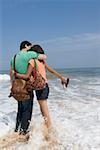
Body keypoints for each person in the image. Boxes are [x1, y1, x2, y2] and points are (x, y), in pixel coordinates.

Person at [15, 45, 69, 130]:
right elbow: (51, 70)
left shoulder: (32, 61)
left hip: (39, 88)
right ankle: (48, 128)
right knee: (43, 110)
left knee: (44, 111)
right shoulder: (42, 61)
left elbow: (26, 76)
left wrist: (17, 74)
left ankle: (50, 130)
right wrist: (61, 77)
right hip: (44, 86)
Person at [10, 41, 47, 138]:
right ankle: (23, 132)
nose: (30, 48)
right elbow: (44, 56)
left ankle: (17, 129)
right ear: (26, 46)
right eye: (29, 46)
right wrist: (35, 55)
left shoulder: (13, 57)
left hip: (17, 86)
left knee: (20, 109)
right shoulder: (28, 54)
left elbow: (11, 73)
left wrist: (13, 86)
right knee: (27, 109)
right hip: (26, 86)